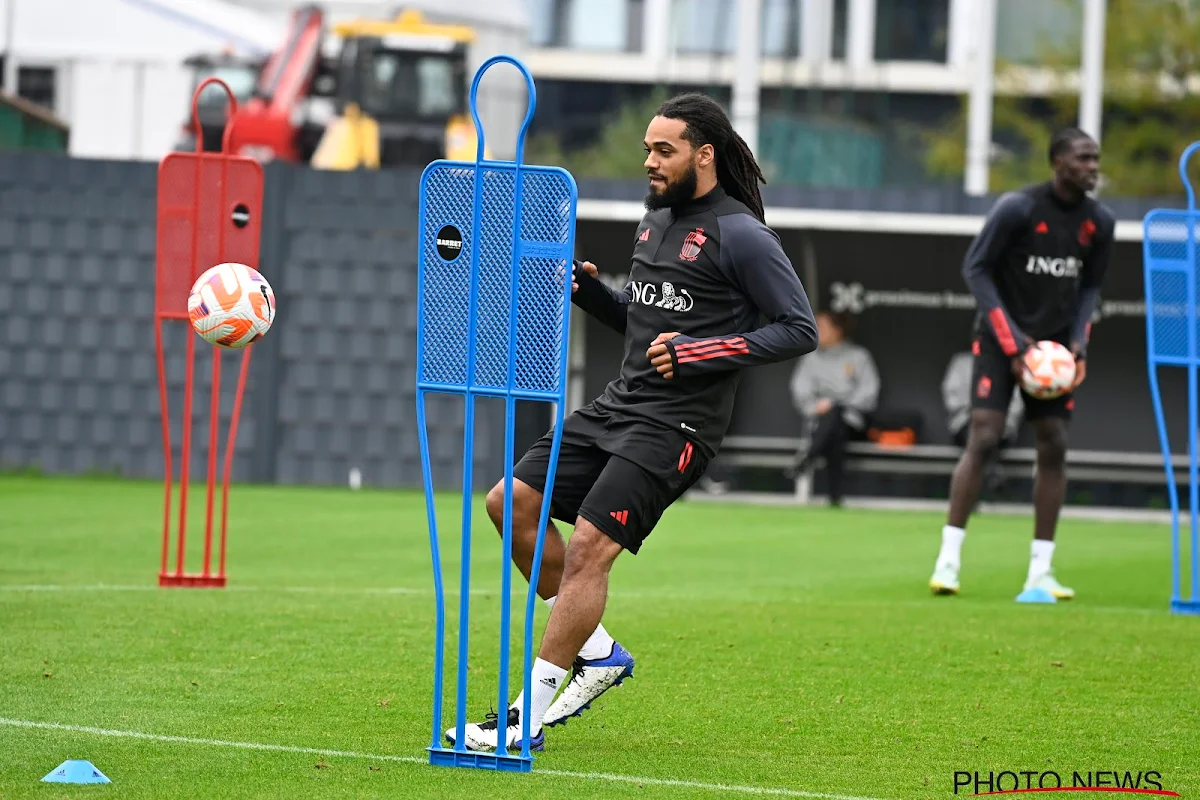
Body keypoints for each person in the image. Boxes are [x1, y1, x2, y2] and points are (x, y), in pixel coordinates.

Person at [446, 92, 819, 752]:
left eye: (663, 149)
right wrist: (594, 296)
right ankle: (599, 652)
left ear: (702, 156)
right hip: (618, 407)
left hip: (678, 427)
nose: (648, 159)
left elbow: (798, 329)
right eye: (647, 147)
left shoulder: (743, 235)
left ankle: (523, 719)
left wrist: (700, 351)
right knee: (511, 504)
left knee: (590, 547)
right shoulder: (654, 223)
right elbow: (645, 331)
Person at [928, 127, 1114, 601]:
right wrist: (1014, 346)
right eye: (1083, 158)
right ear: (1058, 162)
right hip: (1000, 339)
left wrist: (1078, 345)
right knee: (985, 434)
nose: (1093, 166)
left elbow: (1090, 289)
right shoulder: (1018, 208)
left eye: (1095, 159)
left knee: (1053, 444)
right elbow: (976, 268)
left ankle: (1040, 572)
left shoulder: (1100, 222)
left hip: (1054, 351)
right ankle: (948, 561)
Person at [786, 310, 880, 506]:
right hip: (820, 421)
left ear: (837, 331)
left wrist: (838, 403)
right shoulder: (811, 358)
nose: (816, 330)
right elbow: (800, 389)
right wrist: (816, 406)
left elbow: (869, 392)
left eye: (821, 327)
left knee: (836, 414)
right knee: (833, 428)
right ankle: (834, 497)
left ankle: (808, 457)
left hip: (853, 422)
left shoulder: (858, 356)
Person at [942, 347, 1023, 504]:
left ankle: (970, 494)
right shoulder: (962, 361)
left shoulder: (1009, 361)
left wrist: (1000, 416)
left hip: (1002, 425)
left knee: (989, 433)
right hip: (966, 422)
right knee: (978, 434)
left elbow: (1017, 400)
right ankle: (992, 473)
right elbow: (950, 392)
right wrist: (976, 412)